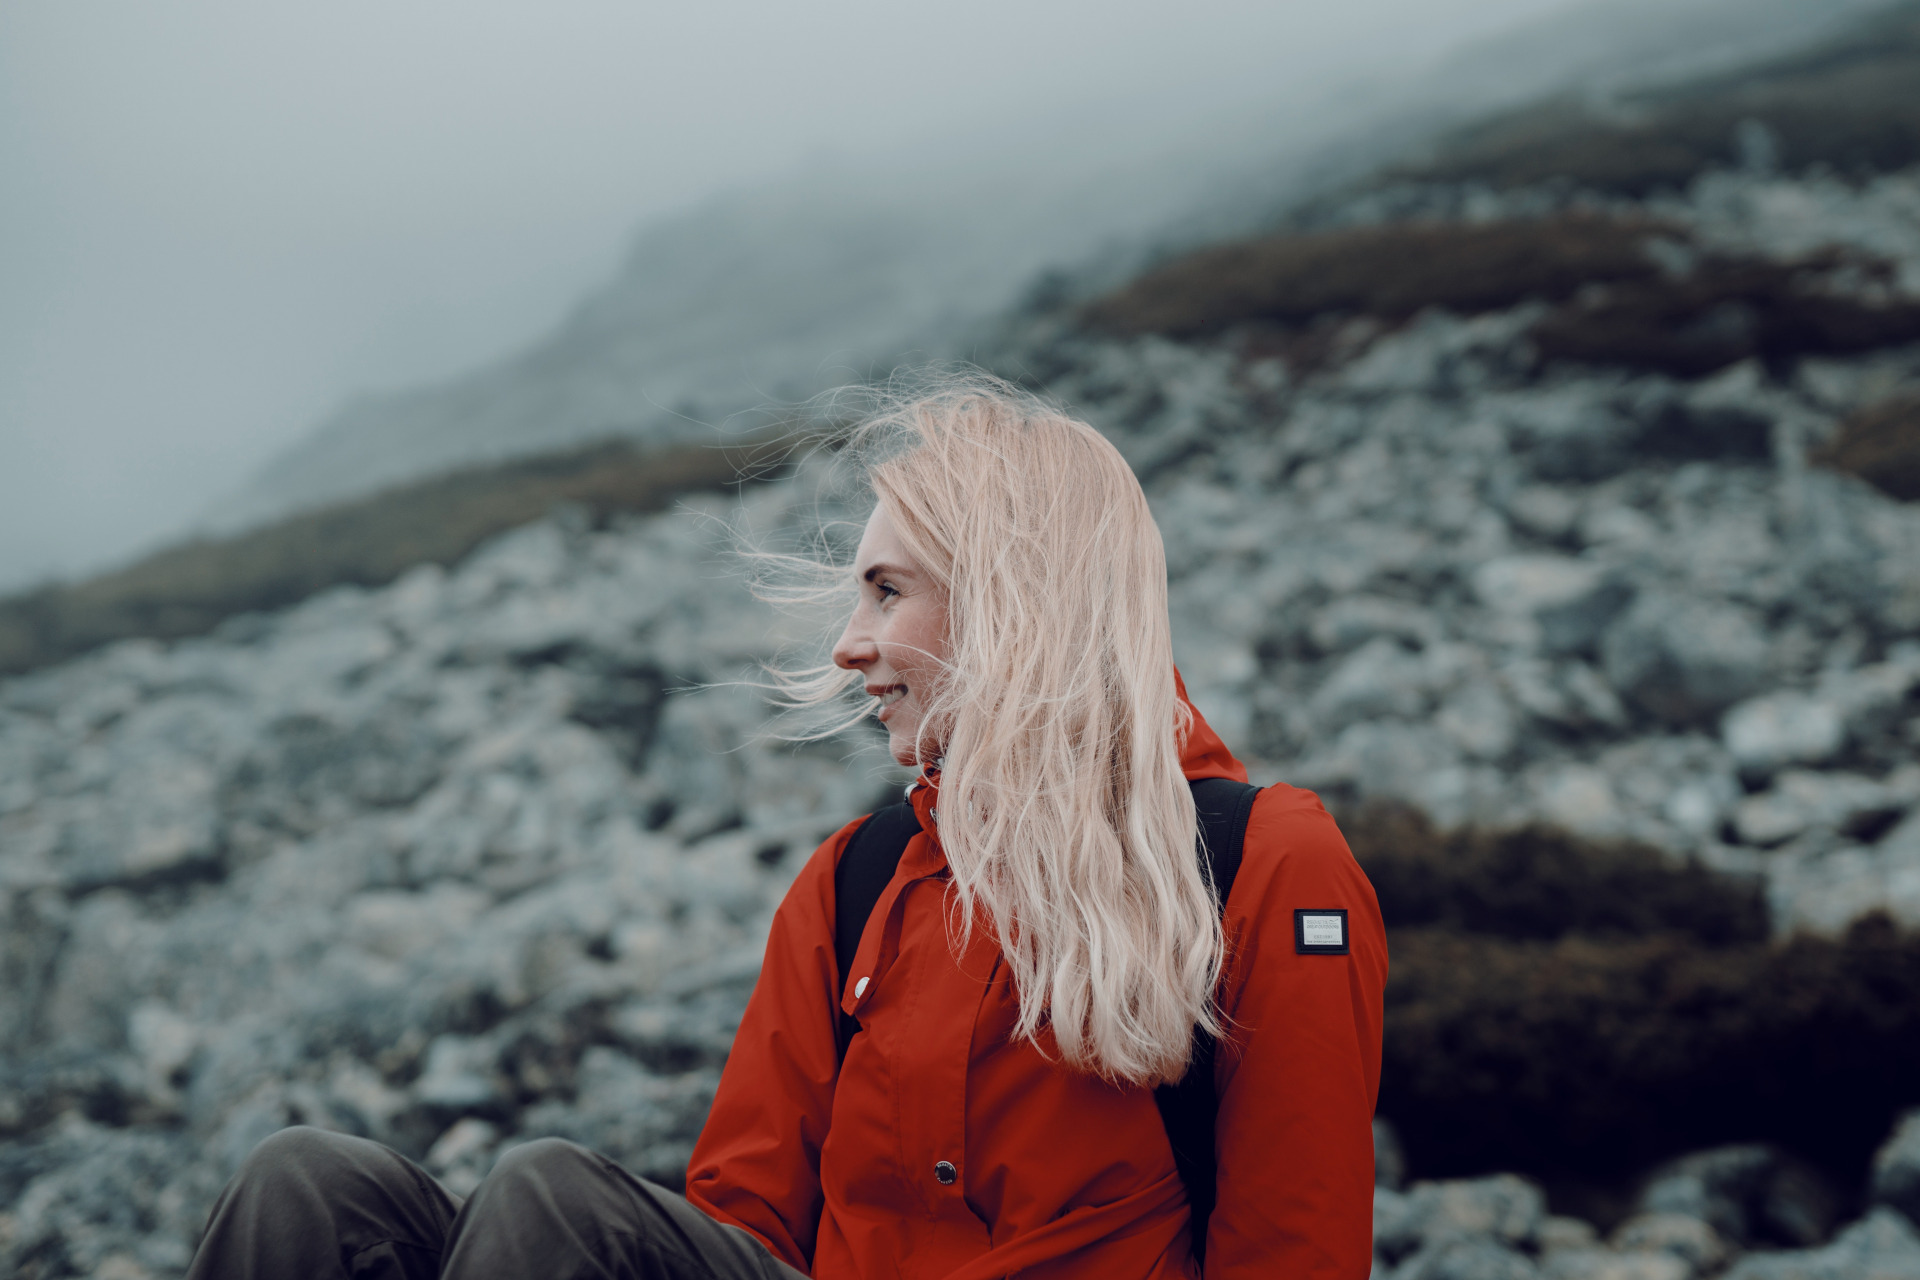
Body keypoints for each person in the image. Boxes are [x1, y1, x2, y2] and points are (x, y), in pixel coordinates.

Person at [185, 380, 1386, 1279]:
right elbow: (744, 1218)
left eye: (886, 589)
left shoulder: (1261, 863)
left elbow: (1294, 1246)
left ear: (1016, 605)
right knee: (309, 1188)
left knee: (551, 1198)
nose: (847, 644)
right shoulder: (855, 880)